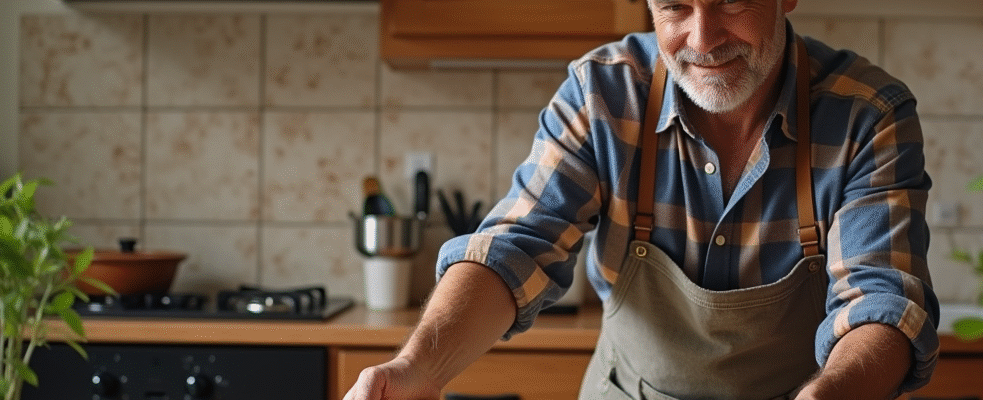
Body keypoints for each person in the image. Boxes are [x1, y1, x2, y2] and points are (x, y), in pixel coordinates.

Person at [344, 0, 939, 398]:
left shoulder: (867, 113)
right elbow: (516, 249)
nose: (703, 39)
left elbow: (881, 300)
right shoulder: (603, 92)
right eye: (675, 6)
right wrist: (414, 370)